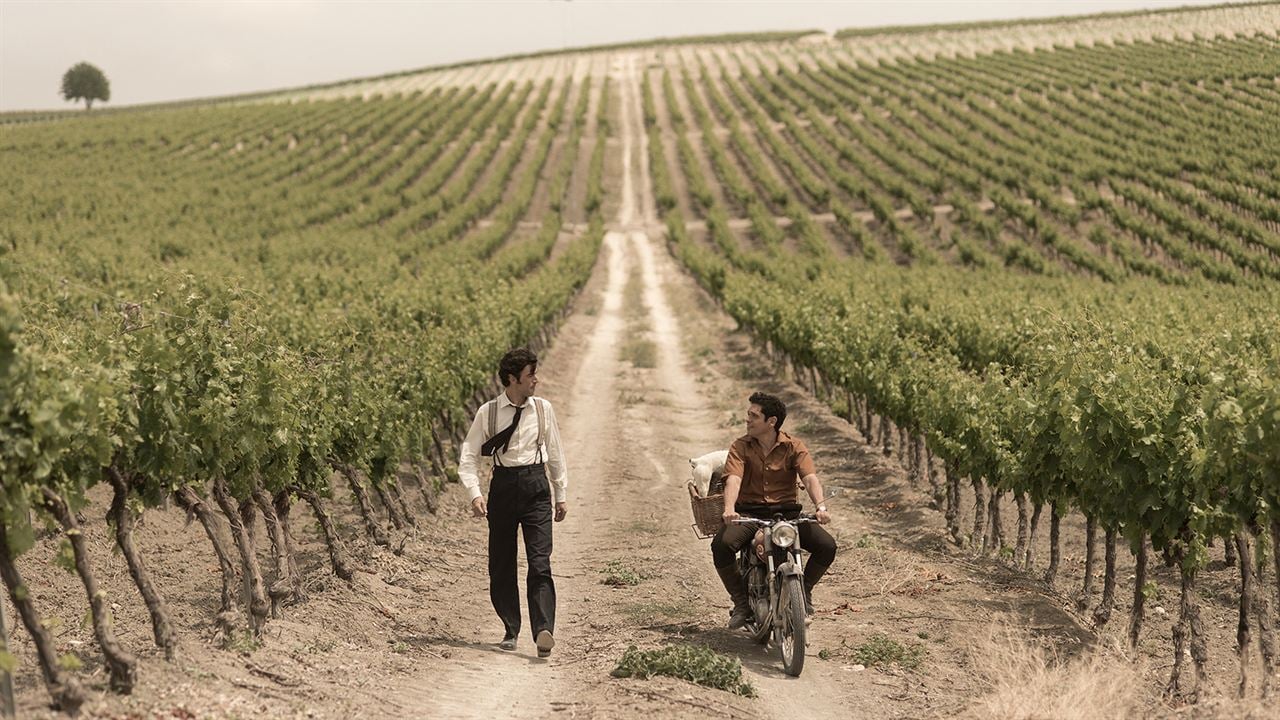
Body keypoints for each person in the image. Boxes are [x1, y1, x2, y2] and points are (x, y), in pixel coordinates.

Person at [458, 348, 568, 657]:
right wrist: (474, 493)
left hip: (536, 487)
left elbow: (556, 453)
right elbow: (467, 456)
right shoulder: (488, 412)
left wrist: (561, 494)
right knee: (501, 563)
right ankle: (510, 627)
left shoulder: (543, 409)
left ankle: (543, 629)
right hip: (503, 487)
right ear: (512, 379)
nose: (536, 379)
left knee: (540, 561)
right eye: (531, 374)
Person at [711, 392, 836, 628]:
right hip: (750, 515)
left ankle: (804, 592)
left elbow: (809, 478)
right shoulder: (740, 446)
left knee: (827, 546)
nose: (747, 420)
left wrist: (821, 507)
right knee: (721, 546)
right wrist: (729, 509)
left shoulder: (793, 446)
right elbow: (734, 480)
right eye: (748, 414)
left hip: (787, 515)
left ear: (771, 422)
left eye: (753, 416)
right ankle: (741, 603)